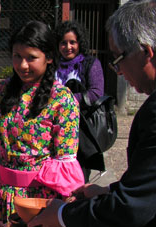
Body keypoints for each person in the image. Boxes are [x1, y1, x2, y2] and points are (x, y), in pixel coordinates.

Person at [27, 1, 156, 227]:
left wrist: (61, 216)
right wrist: (110, 191)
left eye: (118, 58)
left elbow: (135, 206)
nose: (118, 71)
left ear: (146, 51)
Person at [0, 20, 84, 223]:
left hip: (40, 202)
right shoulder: (3, 90)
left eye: (31, 58)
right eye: (17, 56)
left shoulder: (62, 99)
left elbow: (65, 161)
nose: (22, 65)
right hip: (3, 197)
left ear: (50, 58)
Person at [55, 20, 105, 182]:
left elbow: (96, 93)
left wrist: (66, 100)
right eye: (63, 43)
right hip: (54, 127)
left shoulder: (91, 64)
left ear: (79, 43)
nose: (68, 47)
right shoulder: (52, 65)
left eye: (72, 42)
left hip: (80, 129)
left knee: (78, 176)